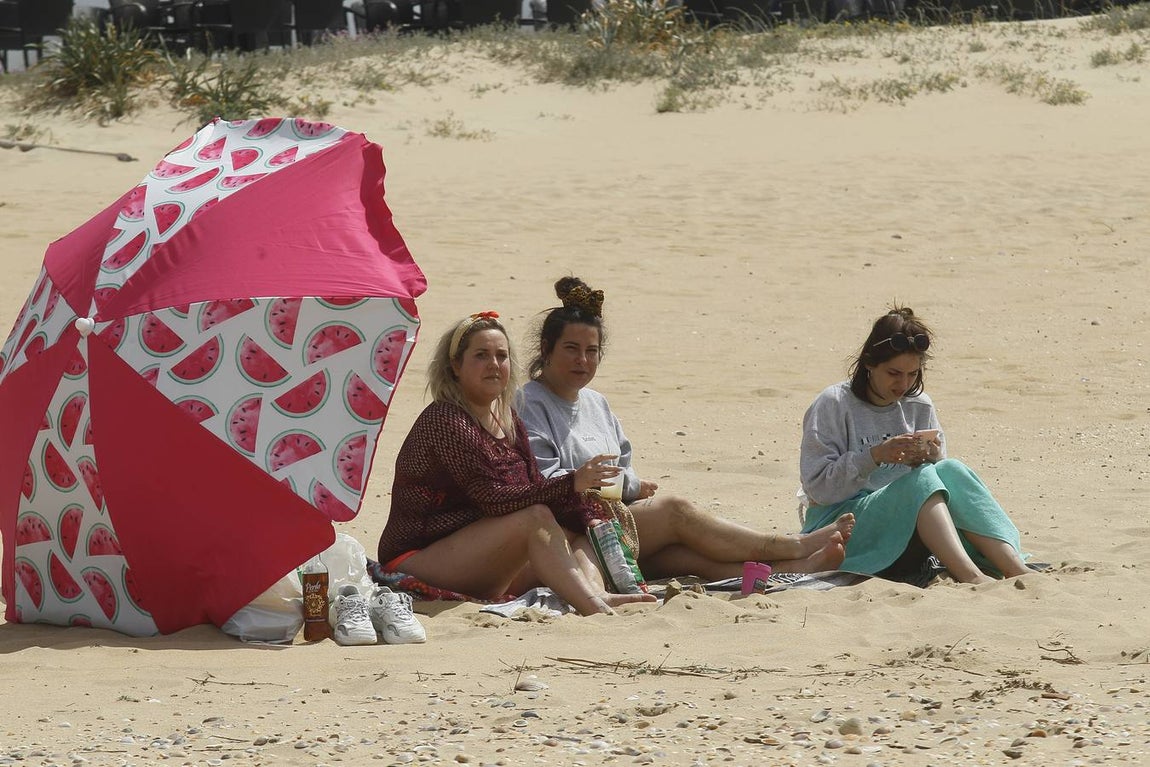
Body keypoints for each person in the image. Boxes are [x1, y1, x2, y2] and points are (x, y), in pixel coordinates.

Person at [516, 277, 854, 582]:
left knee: (682, 557)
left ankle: (785, 571)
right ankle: (792, 546)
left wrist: (630, 485)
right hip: (573, 525)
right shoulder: (531, 402)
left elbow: (623, 467)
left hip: (614, 515)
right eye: (571, 349)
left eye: (592, 351)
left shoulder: (596, 403)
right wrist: (623, 485)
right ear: (547, 348)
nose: (583, 361)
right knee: (674, 509)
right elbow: (545, 480)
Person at [376, 311, 657, 616]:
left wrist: (587, 511)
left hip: (479, 549)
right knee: (536, 518)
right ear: (456, 365)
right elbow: (493, 499)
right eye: (481, 356)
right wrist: (571, 482)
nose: (494, 365)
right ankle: (593, 607)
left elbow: (533, 485)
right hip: (420, 557)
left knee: (574, 528)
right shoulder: (445, 419)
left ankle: (598, 593)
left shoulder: (507, 418)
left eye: (502, 356)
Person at [799, 306, 1030, 584]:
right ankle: (971, 576)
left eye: (912, 374)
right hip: (843, 526)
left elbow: (941, 479)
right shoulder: (834, 403)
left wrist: (932, 456)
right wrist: (874, 456)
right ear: (869, 363)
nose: (903, 384)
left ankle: (1016, 568)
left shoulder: (919, 404)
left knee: (951, 469)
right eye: (894, 373)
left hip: (909, 528)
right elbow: (818, 488)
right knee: (920, 480)